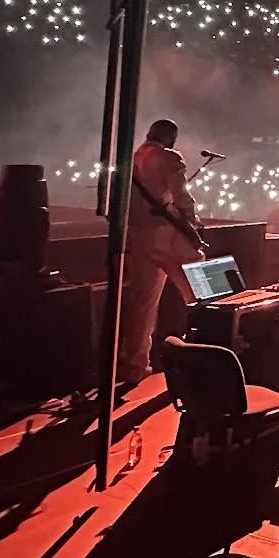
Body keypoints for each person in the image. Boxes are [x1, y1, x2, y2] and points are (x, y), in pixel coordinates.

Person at [117, 118, 203, 387]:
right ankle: (203, 354)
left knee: (143, 302)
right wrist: (194, 223)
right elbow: (182, 196)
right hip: (167, 236)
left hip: (138, 236)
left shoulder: (131, 159)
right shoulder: (170, 158)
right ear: (171, 139)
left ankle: (134, 365)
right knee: (200, 293)